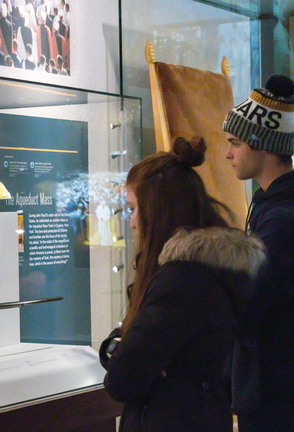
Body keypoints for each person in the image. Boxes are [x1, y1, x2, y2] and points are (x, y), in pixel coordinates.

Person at [101, 137, 265, 432]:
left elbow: (122, 379)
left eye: (135, 209)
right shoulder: (210, 270)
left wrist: (126, 352)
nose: (133, 222)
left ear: (158, 211)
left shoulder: (181, 280)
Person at [222, 74, 294, 432]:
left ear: (261, 144)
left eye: (235, 143)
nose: (227, 153)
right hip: (280, 379)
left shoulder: (284, 218)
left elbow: (255, 299)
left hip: (276, 382)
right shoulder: (284, 206)